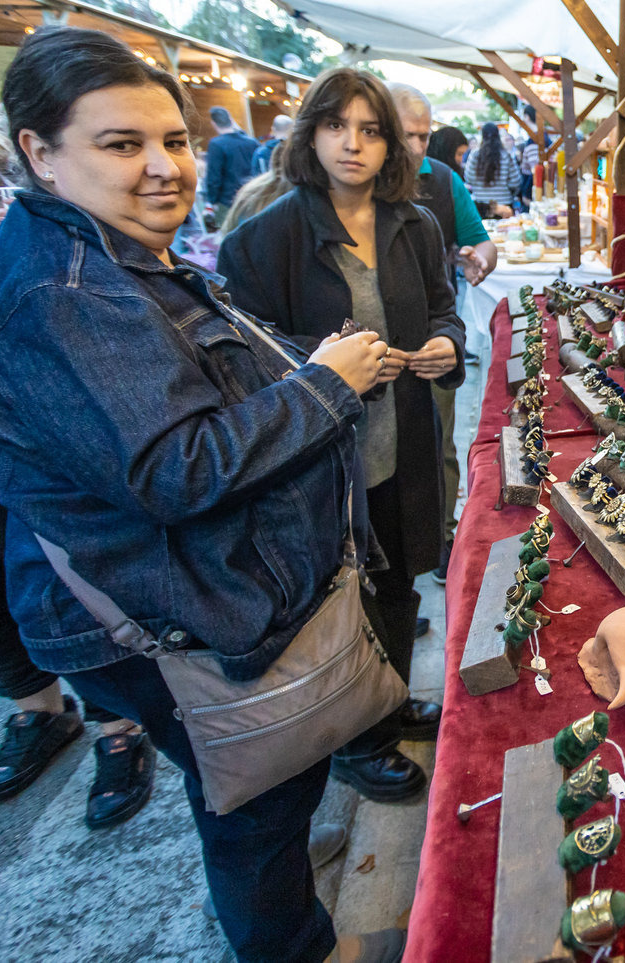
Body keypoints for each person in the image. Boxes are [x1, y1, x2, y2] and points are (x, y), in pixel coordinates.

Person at [0, 25, 405, 962]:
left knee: (251, 783)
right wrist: (326, 386)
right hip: (161, 609)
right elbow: (178, 469)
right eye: (122, 145)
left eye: (174, 140)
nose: (163, 168)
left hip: (191, 590)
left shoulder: (107, 251)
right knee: (253, 790)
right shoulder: (63, 293)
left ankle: (271, 883)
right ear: (38, 152)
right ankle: (291, 939)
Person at [0, 36, 154, 828]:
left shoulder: (3, 193)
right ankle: (34, 708)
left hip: (34, 412)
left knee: (63, 564)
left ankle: (114, 725)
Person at [218, 68, 464, 803]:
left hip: (402, 440)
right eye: (336, 126)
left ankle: (384, 705)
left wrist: (446, 346)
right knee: (337, 598)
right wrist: (330, 364)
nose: (352, 144)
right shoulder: (264, 239)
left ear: (390, 143)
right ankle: (356, 741)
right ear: (310, 134)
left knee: (396, 583)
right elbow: (245, 360)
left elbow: (445, 310)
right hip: (324, 460)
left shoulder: (413, 223)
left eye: (370, 129)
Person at [387, 83, 495, 583]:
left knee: (439, 444)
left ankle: (439, 539)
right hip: (366, 361)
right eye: (404, 135)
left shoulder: (444, 181)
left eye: (423, 137)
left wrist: (478, 262)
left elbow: (478, 243)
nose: (415, 148)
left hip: (430, 344)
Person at [202, 106, 257, 218]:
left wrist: (211, 201)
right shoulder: (252, 142)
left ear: (213, 124)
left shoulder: (216, 144)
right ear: (231, 120)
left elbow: (214, 175)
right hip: (252, 195)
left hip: (228, 200)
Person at [464, 121, 521, 220]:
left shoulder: (474, 155)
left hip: (481, 205)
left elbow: (468, 178)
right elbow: (515, 181)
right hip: (504, 206)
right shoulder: (505, 155)